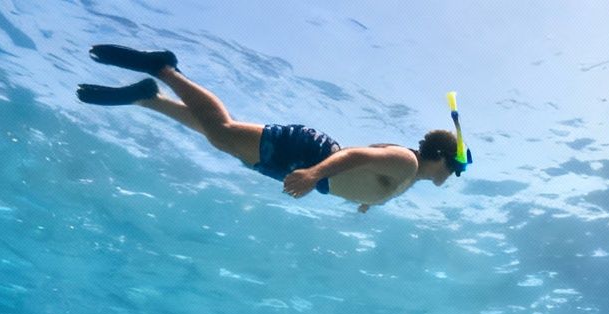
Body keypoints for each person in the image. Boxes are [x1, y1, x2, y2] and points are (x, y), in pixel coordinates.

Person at [75, 44, 465, 212]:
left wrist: (366, 201)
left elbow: (365, 167)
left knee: (221, 140)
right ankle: (164, 69)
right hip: (311, 158)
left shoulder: (407, 177)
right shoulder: (407, 164)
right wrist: (314, 173)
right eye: (458, 166)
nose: (456, 174)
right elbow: (358, 154)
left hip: (313, 168)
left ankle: (151, 98)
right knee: (224, 131)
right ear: (443, 158)